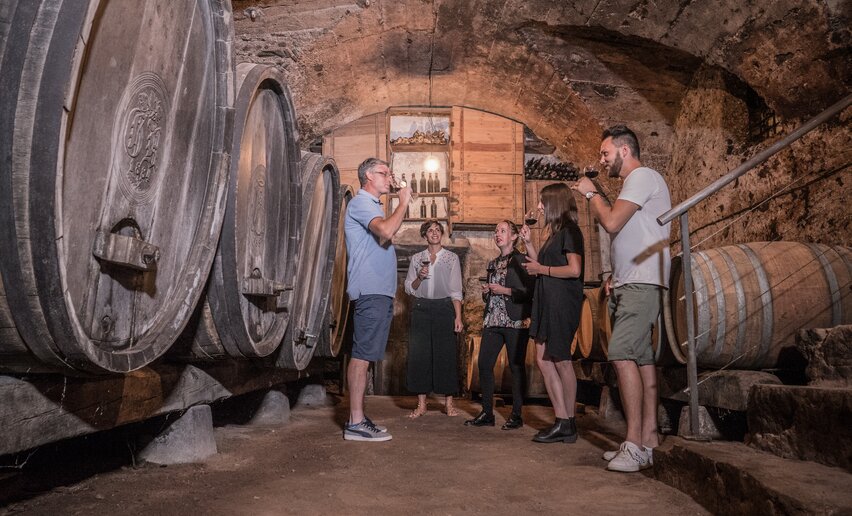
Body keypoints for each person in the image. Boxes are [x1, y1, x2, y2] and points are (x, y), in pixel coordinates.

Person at [572, 125, 671, 472]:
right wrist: (616, 274)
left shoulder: (642, 176)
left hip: (643, 283)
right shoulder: (636, 184)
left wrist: (591, 193)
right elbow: (632, 231)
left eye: (605, 153)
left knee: (622, 353)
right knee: (643, 361)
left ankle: (632, 443)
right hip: (631, 281)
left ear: (624, 150)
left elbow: (612, 222)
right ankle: (648, 440)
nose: (602, 160)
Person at [343, 157, 412, 442]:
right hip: (369, 290)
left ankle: (357, 416)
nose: (389, 177)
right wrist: (404, 202)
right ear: (368, 176)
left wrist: (399, 204)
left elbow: (384, 236)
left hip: (379, 292)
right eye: (384, 173)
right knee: (361, 357)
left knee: (368, 355)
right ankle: (355, 424)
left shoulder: (373, 208)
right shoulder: (361, 203)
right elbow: (385, 231)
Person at [519, 183, 584, 444]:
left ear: (555, 203)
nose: (538, 207)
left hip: (561, 303)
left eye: (542, 202)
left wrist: (541, 271)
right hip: (546, 301)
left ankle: (568, 422)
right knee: (544, 360)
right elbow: (541, 265)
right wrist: (528, 243)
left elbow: (574, 270)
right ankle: (562, 419)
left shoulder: (571, 231)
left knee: (560, 360)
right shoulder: (555, 233)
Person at [465, 221, 534, 429]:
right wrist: (487, 292)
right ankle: (487, 412)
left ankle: (517, 415)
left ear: (513, 237)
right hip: (493, 320)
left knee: (515, 367)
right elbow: (492, 296)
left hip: (515, 321)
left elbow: (528, 293)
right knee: (485, 364)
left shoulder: (522, 260)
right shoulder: (493, 263)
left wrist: (504, 290)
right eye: (496, 231)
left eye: (502, 231)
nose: (498, 234)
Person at [404, 220, 464, 418]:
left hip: (444, 308)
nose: (434, 233)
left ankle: (449, 404)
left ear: (442, 234)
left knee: (445, 355)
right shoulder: (416, 258)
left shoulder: (451, 258)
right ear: (425, 235)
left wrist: (458, 317)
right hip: (421, 308)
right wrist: (420, 277)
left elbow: (456, 291)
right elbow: (409, 288)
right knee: (420, 356)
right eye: (430, 230)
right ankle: (422, 405)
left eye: (438, 230)